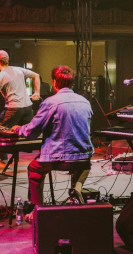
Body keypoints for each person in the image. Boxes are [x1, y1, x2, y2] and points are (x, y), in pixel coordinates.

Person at [11, 65, 93, 215]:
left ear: (54, 82)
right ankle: (77, 187)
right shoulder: (85, 102)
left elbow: (30, 132)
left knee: (34, 169)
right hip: (83, 157)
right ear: (71, 83)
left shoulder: (51, 102)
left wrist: (17, 129)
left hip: (59, 157)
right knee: (84, 165)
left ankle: (38, 210)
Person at [0, 50, 40, 127]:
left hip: (13, 108)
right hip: (28, 108)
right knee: (26, 131)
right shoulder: (18, 69)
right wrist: (37, 92)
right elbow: (36, 76)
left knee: (0, 129)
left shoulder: (0, 76)